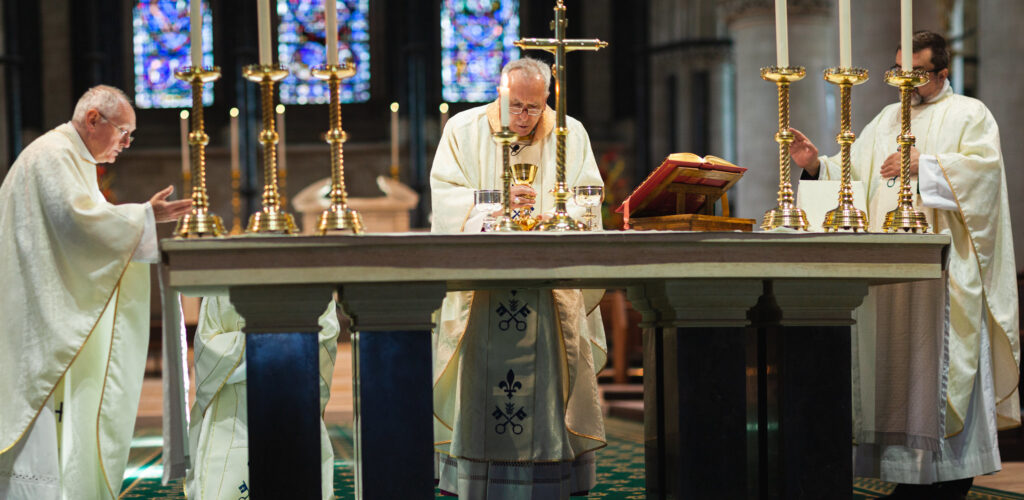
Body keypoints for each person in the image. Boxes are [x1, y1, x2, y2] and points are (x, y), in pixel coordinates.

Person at [791, 32, 1019, 499]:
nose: (904, 82)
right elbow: (855, 177)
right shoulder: (888, 117)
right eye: (898, 71)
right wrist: (818, 167)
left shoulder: (969, 114)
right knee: (900, 378)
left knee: (946, 373)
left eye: (915, 73)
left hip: (946, 274)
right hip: (893, 276)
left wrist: (927, 164)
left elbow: (986, 174)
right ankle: (908, 479)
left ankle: (953, 479)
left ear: (942, 71)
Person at [0, 85, 192, 499]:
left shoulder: (72, 157)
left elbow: (84, 224)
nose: (126, 143)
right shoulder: (53, 154)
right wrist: (143, 216)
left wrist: (139, 219)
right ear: (93, 119)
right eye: (124, 131)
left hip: (45, 310)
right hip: (36, 324)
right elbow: (76, 224)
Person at [430, 57, 608, 498]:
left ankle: (551, 477)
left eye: (534, 107)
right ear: (499, 93)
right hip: (484, 292)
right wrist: (496, 211)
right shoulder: (463, 130)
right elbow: (447, 200)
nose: (525, 117)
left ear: (548, 99)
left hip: (549, 289)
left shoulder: (570, 131)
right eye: (516, 106)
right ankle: (475, 479)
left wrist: (556, 216)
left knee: (548, 381)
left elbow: (589, 197)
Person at [184, 295, 340, 500]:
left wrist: (260, 348)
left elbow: (325, 337)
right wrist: (274, 348)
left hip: (289, 396)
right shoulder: (223, 278)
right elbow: (208, 344)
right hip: (235, 406)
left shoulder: (312, 273)